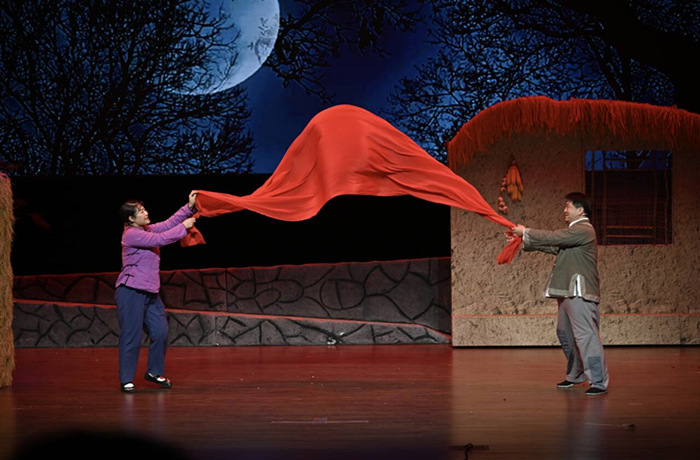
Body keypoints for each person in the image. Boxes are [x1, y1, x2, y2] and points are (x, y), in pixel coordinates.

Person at [510, 192, 609, 396]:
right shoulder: (573, 234)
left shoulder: (584, 230)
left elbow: (554, 237)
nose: (564, 210)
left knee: (586, 337)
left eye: (568, 206)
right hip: (567, 291)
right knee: (566, 334)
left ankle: (598, 381)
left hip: (579, 292)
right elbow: (555, 245)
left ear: (580, 210)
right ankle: (576, 375)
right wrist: (522, 239)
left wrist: (525, 231)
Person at [115, 191, 197, 393]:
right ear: (131, 219)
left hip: (150, 292)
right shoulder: (131, 234)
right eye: (140, 211)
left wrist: (189, 208)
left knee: (160, 332)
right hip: (131, 291)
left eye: (144, 209)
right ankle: (126, 379)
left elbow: (168, 224)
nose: (146, 213)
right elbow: (160, 239)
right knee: (132, 335)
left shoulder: (147, 229)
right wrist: (183, 228)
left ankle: (153, 371)